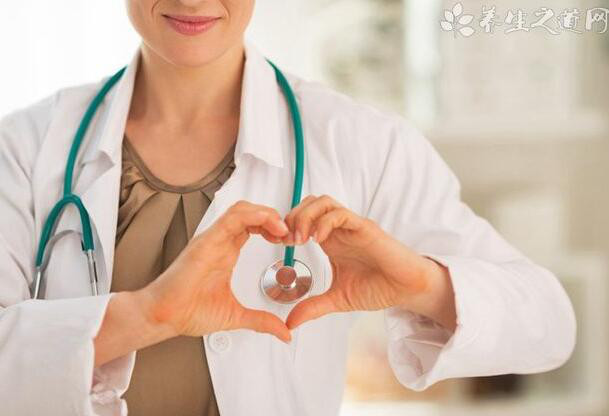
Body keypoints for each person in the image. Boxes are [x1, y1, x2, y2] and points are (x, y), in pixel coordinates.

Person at [0, 1, 576, 415]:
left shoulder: (360, 141)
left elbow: (549, 325)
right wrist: (151, 314)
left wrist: (421, 283)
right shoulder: (28, 145)